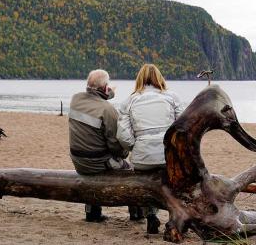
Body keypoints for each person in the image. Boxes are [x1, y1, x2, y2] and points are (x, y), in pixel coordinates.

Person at [117, 64, 184, 234]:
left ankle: (150, 215)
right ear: (160, 78)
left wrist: (136, 146)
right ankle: (174, 217)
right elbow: (183, 128)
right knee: (174, 182)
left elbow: (122, 135)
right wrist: (173, 148)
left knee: (146, 183)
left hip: (142, 157)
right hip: (166, 157)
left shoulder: (129, 100)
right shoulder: (172, 97)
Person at [68, 69, 142, 222]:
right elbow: (115, 146)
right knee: (130, 172)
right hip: (97, 164)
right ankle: (137, 214)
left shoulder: (75, 99)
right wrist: (123, 155)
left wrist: (108, 93)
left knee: (92, 166)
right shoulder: (108, 110)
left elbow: (95, 99)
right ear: (105, 88)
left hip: (78, 161)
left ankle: (92, 213)